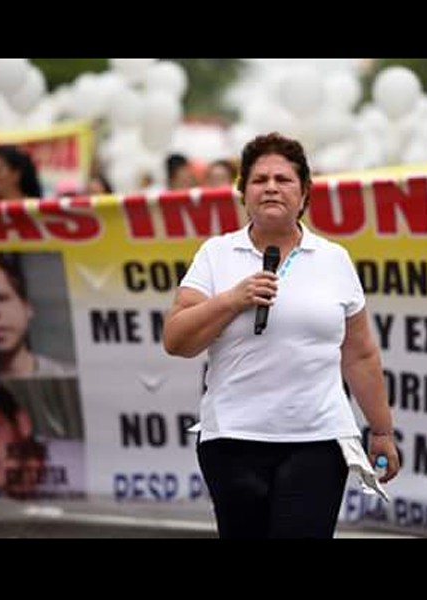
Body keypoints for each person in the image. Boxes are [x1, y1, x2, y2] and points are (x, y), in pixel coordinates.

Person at [163, 132, 400, 538]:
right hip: (233, 439)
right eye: (259, 180)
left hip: (318, 438)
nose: (271, 187)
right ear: (243, 194)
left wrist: (381, 431)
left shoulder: (334, 259)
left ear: (304, 193)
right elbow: (177, 341)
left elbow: (359, 354)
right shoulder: (216, 255)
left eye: (284, 179)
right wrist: (232, 300)